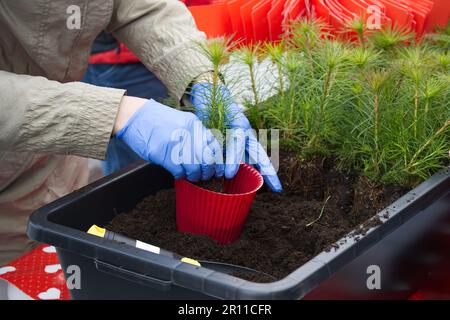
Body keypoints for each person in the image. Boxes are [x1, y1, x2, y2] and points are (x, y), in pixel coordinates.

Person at [0, 0, 282, 265]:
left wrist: (199, 76)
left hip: (57, 158)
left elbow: (142, 8)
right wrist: (117, 113)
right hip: (6, 191)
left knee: (66, 267)